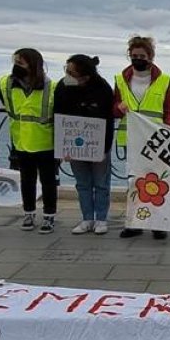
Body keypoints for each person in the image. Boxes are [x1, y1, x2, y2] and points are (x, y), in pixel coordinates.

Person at [114, 35, 170, 240]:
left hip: (156, 140)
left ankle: (158, 223)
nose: (137, 59)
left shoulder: (164, 80)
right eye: (134, 56)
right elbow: (113, 108)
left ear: (150, 56)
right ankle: (134, 222)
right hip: (132, 139)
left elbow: (169, 109)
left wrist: (168, 130)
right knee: (134, 182)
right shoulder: (120, 80)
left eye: (142, 55)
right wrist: (118, 108)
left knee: (157, 181)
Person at [0, 48, 58, 234]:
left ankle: (49, 215)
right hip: (20, 141)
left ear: (34, 66)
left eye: (21, 63)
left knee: (48, 181)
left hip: (45, 142)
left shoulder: (51, 86)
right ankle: (29, 213)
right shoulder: (5, 84)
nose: (17, 66)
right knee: (27, 180)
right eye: (15, 62)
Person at [55, 54, 115, 235]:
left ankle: (101, 219)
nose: (67, 74)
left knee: (101, 183)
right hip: (73, 143)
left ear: (85, 75)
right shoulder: (63, 86)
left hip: (97, 143)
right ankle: (87, 218)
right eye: (67, 70)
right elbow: (57, 116)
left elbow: (108, 119)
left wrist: (104, 148)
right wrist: (62, 146)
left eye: (71, 72)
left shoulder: (102, 88)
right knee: (82, 183)